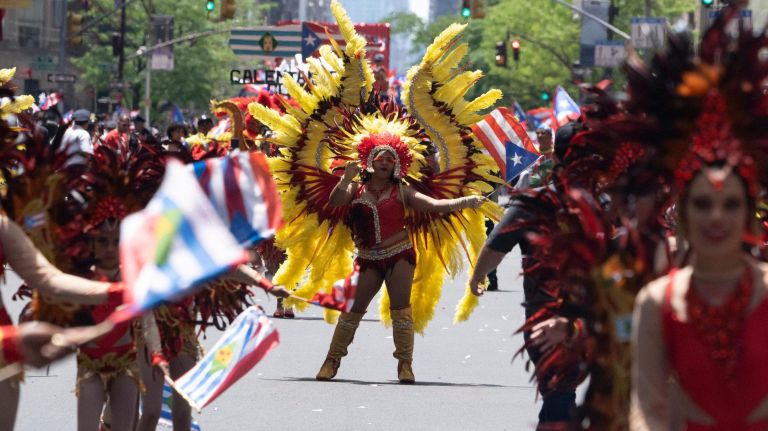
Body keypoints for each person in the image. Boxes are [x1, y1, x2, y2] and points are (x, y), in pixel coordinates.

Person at [317, 135, 484, 383]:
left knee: (401, 310)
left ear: (397, 166)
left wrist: (466, 201)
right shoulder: (354, 189)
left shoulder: (402, 191)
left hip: (399, 256)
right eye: (380, 159)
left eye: (389, 160)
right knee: (352, 312)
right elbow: (334, 201)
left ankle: (405, 365)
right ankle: (331, 361)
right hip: (367, 259)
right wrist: (345, 178)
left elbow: (435, 205)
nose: (384, 163)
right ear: (369, 162)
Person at [468, 125, 579, 426]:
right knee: (563, 396)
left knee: (559, 397)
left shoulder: (538, 200)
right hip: (584, 320)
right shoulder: (612, 201)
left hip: (565, 319)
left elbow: (496, 247)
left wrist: (478, 275)